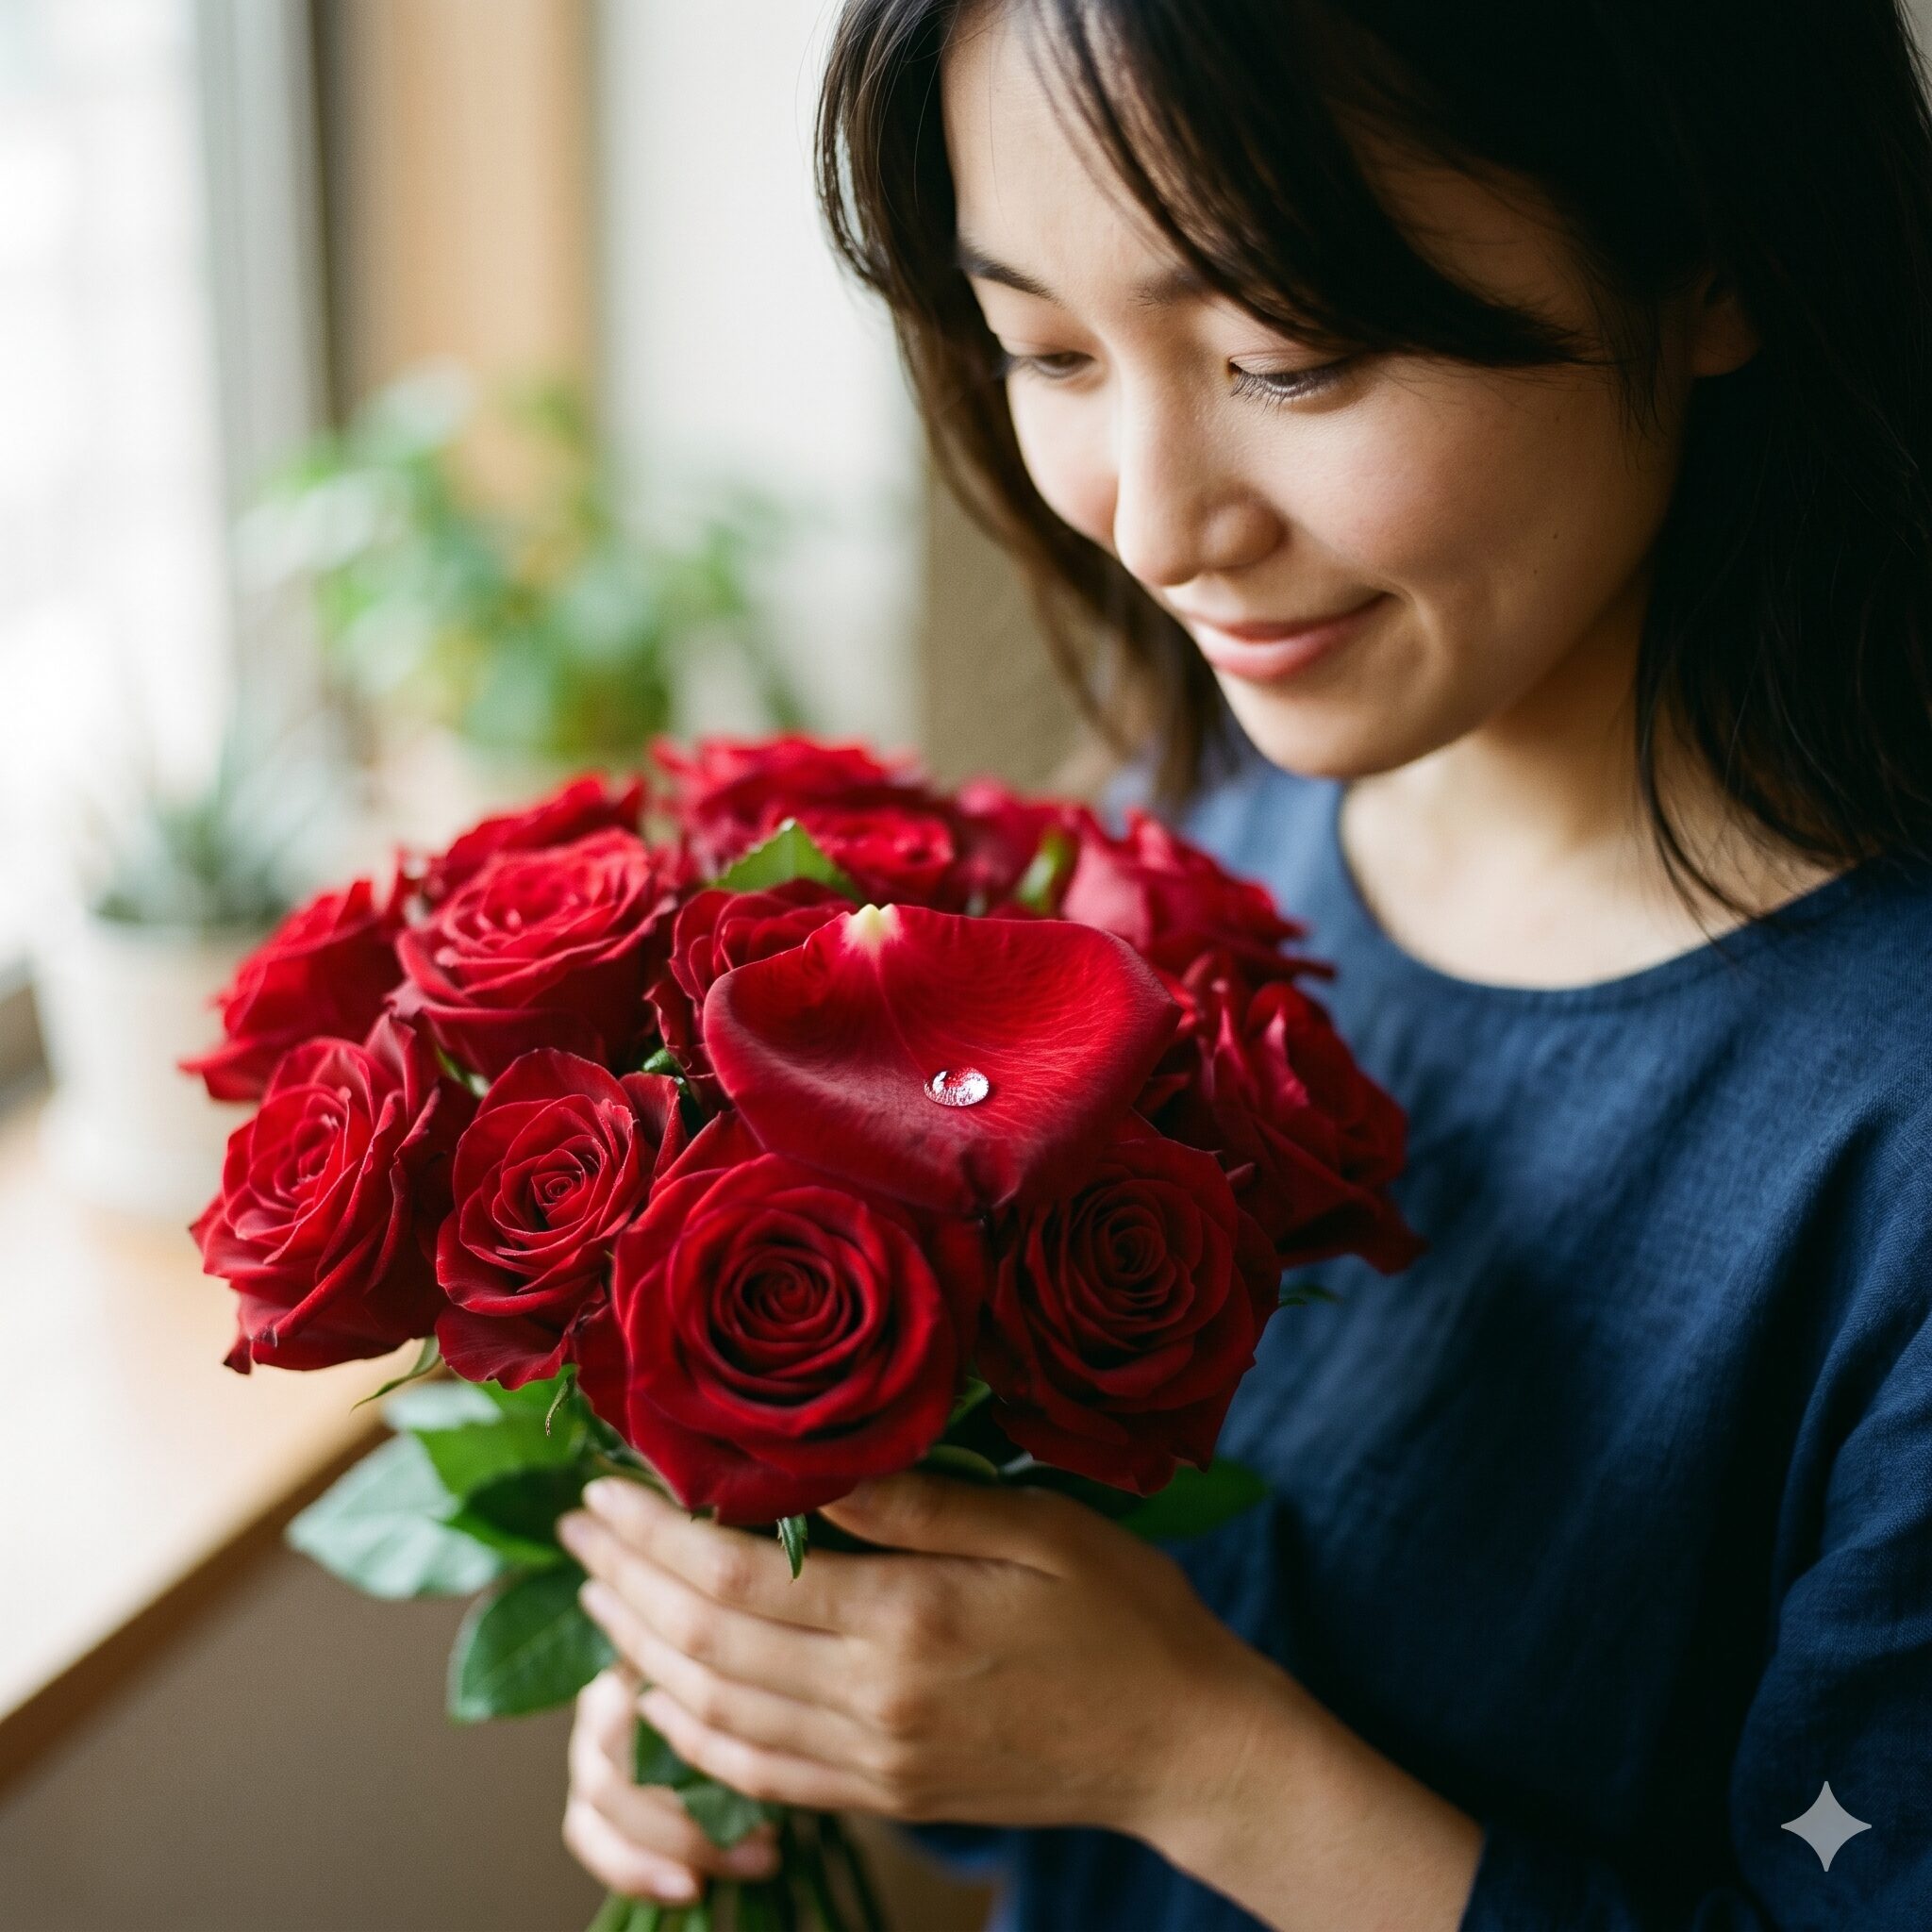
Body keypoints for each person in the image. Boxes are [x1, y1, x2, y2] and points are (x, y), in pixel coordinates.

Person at [554, 1, 1932, 1924]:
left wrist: (1191, 1759)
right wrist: (806, 1693)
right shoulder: (1178, 831)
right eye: (1043, 346)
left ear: (1712, 251)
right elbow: (1055, 1687)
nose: (1159, 519)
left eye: (1285, 358)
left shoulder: (1886, 1133)